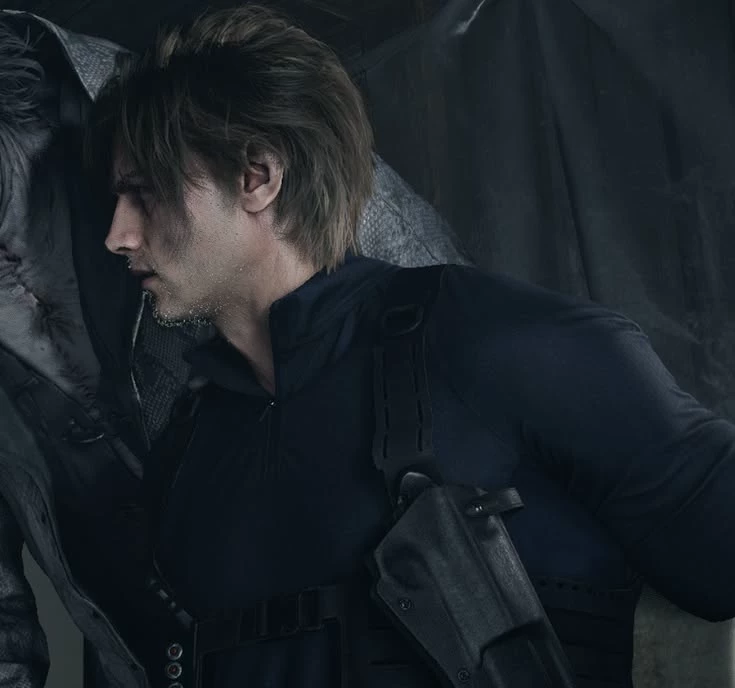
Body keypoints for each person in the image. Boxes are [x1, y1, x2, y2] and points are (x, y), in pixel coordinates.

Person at [86, 4, 735, 687]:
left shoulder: (497, 344)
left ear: (257, 176)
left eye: (145, 193)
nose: (117, 235)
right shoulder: (188, 449)